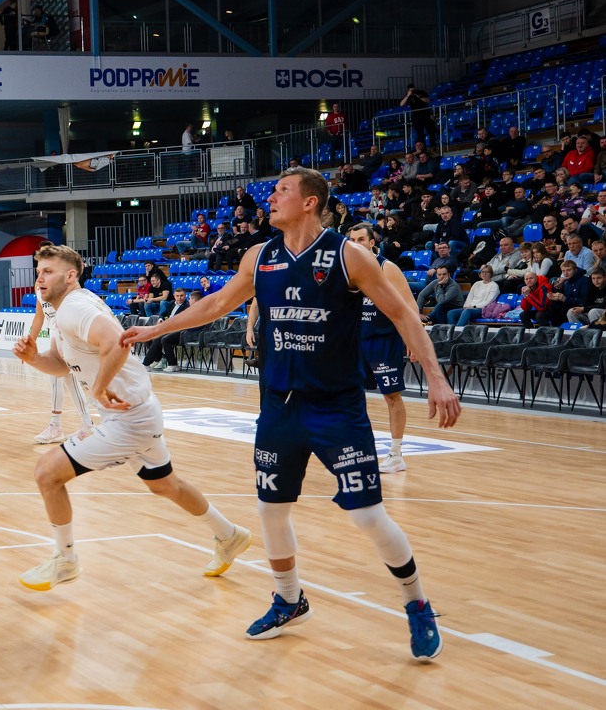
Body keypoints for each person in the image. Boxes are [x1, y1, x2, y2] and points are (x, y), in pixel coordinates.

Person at [122, 168, 460, 662]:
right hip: (279, 405)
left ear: (310, 201)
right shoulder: (259, 256)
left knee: (367, 514)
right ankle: (288, 599)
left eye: (283, 190)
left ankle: (417, 603)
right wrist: (156, 330)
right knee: (270, 508)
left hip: (336, 407)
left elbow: (403, 314)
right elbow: (217, 303)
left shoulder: (349, 255)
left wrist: (435, 376)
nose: (272, 197)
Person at [12, 245, 250, 590]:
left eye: (48, 271)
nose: (39, 278)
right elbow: (62, 364)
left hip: (129, 418)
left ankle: (65, 560)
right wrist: (34, 358)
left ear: (71, 275)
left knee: (47, 473)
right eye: (38, 272)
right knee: (165, 485)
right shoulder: (64, 311)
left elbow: (116, 342)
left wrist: (99, 387)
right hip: (137, 410)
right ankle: (229, 535)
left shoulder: (75, 307)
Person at [342, 223, 415, 473]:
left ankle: (396, 454)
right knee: (349, 395)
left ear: (372, 243)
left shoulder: (387, 268)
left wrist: (413, 339)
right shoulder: (346, 270)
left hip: (384, 340)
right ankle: (357, 448)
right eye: (352, 240)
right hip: (355, 341)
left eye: (361, 239)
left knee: (391, 396)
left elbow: (409, 305)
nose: (356, 244)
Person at [25, 285, 95, 444]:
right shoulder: (38, 285)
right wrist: (30, 342)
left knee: (56, 377)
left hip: (68, 334)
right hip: (55, 334)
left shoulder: (62, 283)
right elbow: (39, 316)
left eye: (45, 272)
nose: (41, 274)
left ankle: (55, 426)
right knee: (70, 380)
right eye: (39, 272)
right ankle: (88, 424)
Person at [142, 288, 192, 372]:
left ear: (185, 295)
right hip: (168, 329)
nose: (179, 298)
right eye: (177, 296)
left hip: (180, 331)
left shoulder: (187, 306)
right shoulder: (171, 303)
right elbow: (163, 313)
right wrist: (161, 318)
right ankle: (158, 358)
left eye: (181, 296)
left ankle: (147, 364)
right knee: (148, 336)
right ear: (174, 296)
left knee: (161, 339)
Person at [402, 83, 435, 148]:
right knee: (420, 134)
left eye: (413, 89)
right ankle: (423, 149)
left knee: (430, 131)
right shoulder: (409, 97)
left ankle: (433, 147)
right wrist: (408, 95)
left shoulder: (421, 92)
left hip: (425, 114)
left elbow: (428, 100)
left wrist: (418, 96)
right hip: (417, 116)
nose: (412, 91)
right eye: (410, 90)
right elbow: (401, 104)